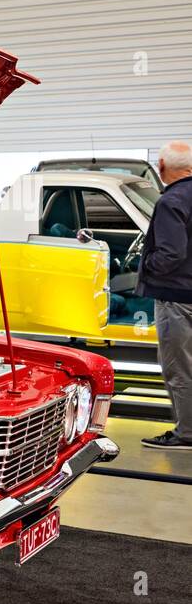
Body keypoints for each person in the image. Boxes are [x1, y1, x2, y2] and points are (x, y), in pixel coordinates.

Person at [138, 141, 192, 450]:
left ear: (161, 166)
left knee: (179, 369)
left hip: (177, 298)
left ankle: (187, 434)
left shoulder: (171, 200)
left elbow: (171, 253)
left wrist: (147, 266)